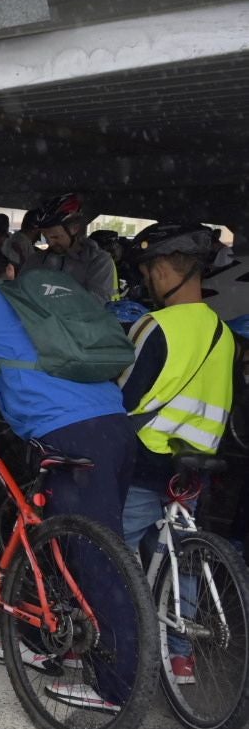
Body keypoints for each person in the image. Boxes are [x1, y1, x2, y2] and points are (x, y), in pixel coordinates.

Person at [0, 243, 139, 711]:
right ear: (12, 270)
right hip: (114, 425)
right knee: (58, 541)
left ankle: (117, 687)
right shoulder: (43, 297)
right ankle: (46, 642)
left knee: (96, 557)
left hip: (66, 432)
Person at [117, 223, 237, 685]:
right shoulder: (222, 332)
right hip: (195, 463)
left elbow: (126, 397)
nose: (148, 280)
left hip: (149, 458)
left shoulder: (156, 326)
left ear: (166, 270)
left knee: (116, 550)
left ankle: (119, 645)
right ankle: (182, 656)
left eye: (150, 271)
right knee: (182, 555)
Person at [5, 193, 117, 304]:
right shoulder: (36, 259)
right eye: (45, 237)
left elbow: (96, 304)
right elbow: (20, 293)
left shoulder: (98, 262)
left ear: (74, 229)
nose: (49, 243)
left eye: (55, 237)